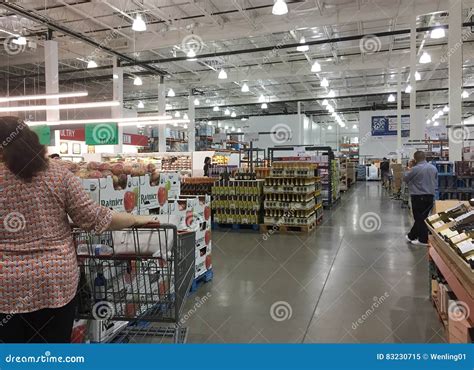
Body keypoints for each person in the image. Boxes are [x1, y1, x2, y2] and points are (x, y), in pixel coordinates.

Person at [0, 116, 157, 343]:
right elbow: (93, 218)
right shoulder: (58, 174)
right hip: (54, 281)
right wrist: (134, 219)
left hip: (7, 285)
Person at [403, 150, 438, 246]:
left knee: (419, 218)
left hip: (418, 197)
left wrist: (410, 167)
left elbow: (405, 178)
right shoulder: (433, 168)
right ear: (425, 157)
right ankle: (411, 236)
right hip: (430, 196)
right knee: (423, 218)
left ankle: (423, 240)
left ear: (415, 159)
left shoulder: (415, 169)